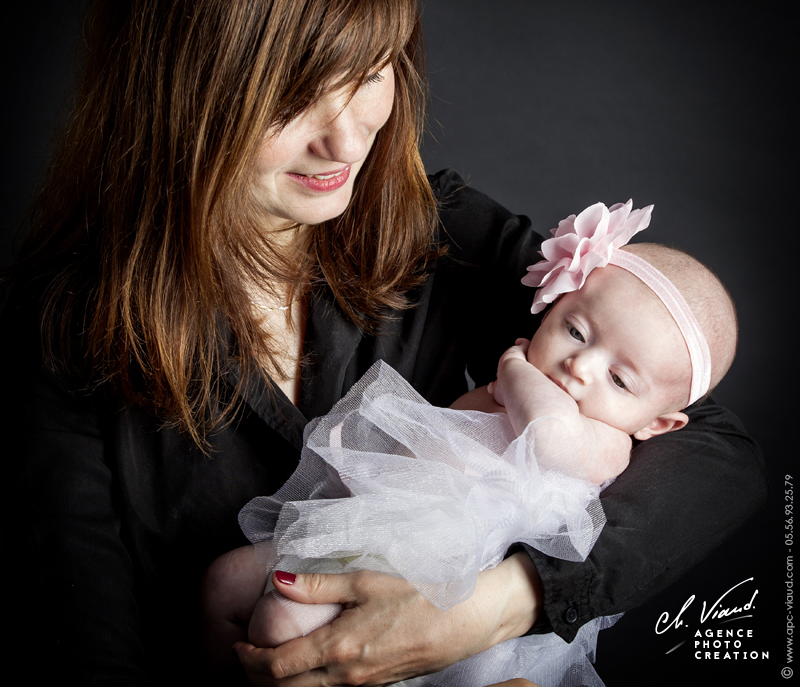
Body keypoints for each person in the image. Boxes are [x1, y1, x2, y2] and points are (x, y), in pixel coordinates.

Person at [1, 0, 765, 686]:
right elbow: (86, 639)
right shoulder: (58, 330)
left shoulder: (440, 229)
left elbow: (715, 454)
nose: (346, 136)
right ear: (180, 94)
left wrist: (502, 603)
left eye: (368, 74)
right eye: (292, 97)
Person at [201, 202, 737, 686]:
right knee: (224, 581)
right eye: (576, 331)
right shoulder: (515, 391)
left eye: (620, 380)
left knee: (279, 622)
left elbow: (547, 438)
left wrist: (513, 368)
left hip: (437, 578)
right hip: (370, 524)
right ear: (554, 303)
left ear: (657, 425)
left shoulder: (601, 440)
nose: (580, 367)